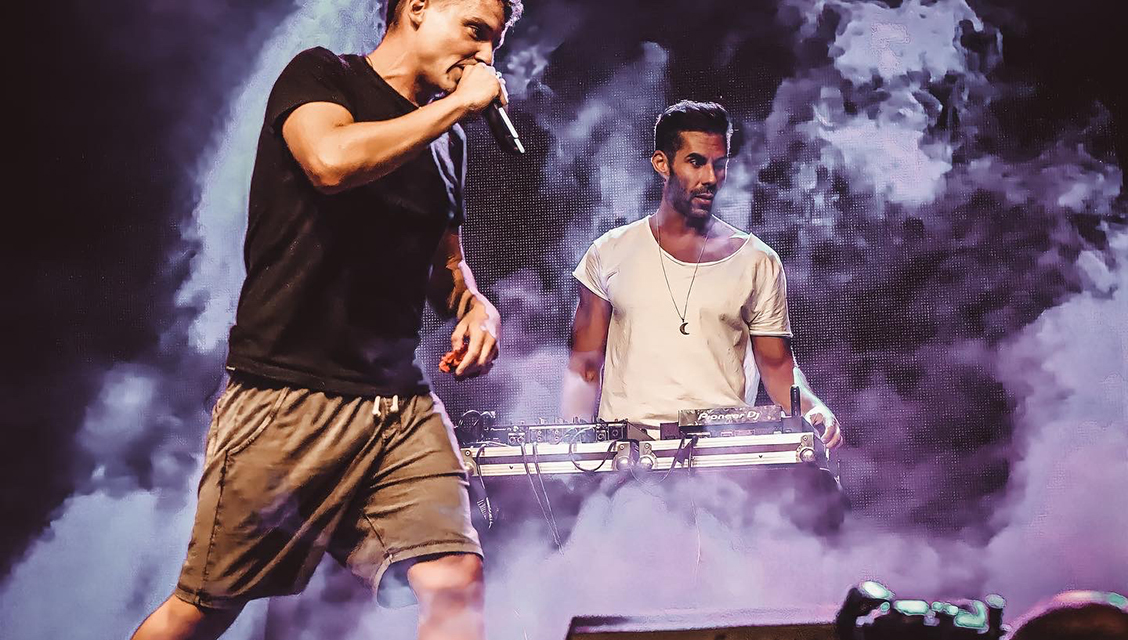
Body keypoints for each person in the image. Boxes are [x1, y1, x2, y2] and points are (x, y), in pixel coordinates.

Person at [131, 1, 522, 638]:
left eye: (495, 43)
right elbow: (331, 162)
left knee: (454, 578)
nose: (485, 56)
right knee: (203, 610)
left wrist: (475, 305)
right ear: (417, 8)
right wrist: (453, 107)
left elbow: (446, 263)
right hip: (289, 396)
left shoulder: (447, 138)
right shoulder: (322, 76)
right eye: (475, 31)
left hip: (397, 404)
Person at [562, 100, 842, 450]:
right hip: (628, 459)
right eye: (696, 162)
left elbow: (778, 366)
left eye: (719, 164)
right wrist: (570, 457)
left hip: (723, 458)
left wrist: (814, 409)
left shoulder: (757, 260)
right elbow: (585, 367)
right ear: (662, 163)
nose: (710, 178)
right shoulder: (608, 252)